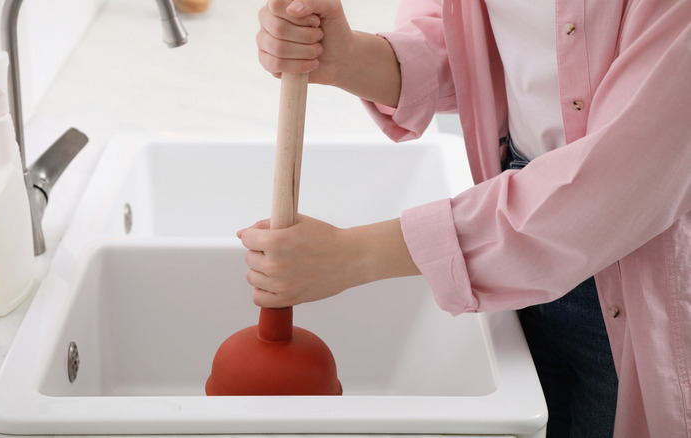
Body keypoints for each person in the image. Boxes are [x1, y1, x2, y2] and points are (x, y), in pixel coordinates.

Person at [241, 0, 691, 436]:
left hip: (636, 257)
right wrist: (351, 59)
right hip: (507, 235)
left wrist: (353, 256)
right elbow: (469, 43)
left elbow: (619, 180)